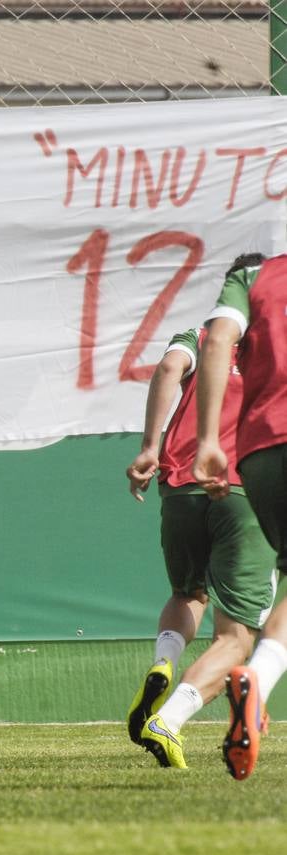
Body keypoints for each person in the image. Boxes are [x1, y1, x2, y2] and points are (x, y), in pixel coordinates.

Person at [124, 303, 275, 769]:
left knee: (187, 593)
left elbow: (170, 366)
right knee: (237, 637)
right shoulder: (273, 347)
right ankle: (170, 720)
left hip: (179, 485)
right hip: (242, 486)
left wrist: (150, 447)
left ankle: (163, 662)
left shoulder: (202, 334)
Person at [194, 251, 287, 780]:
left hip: (260, 452)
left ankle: (257, 681)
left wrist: (209, 439)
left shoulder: (253, 277)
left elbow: (218, 341)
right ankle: (259, 676)